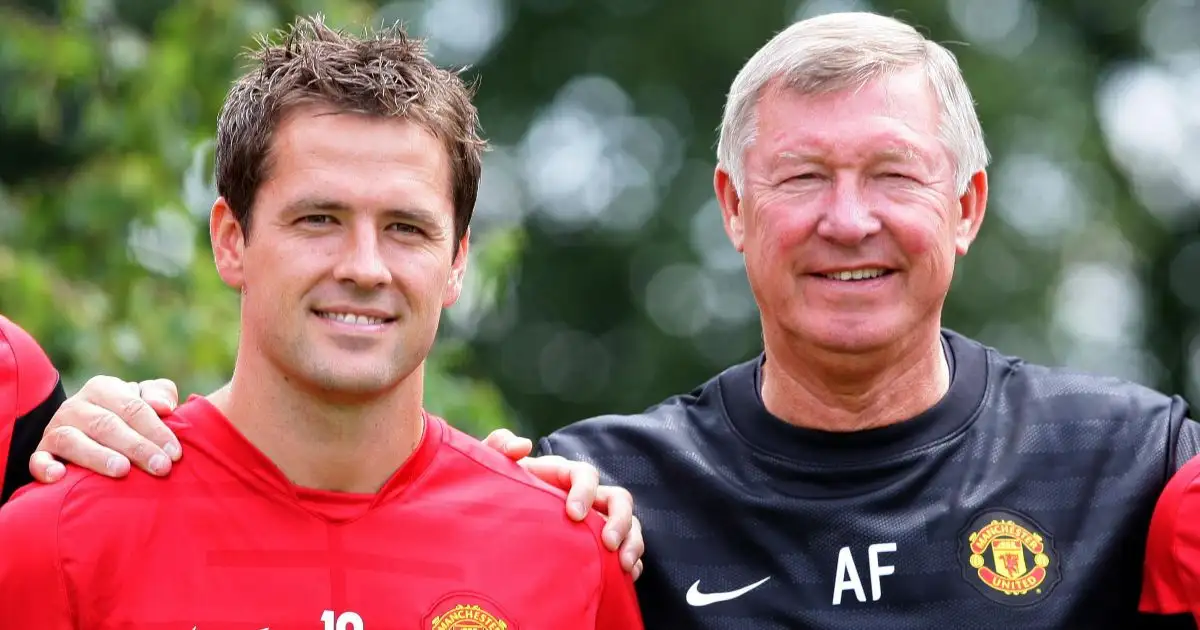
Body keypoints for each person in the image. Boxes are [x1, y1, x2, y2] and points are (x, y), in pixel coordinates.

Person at [20, 10, 1200, 629]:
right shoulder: (595, 502)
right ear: (733, 210)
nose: (849, 222)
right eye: (800, 180)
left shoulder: (1141, 464)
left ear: (969, 206)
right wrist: (65, 438)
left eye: (892, 176)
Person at [0, 16, 643, 629]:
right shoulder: (54, 542)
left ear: (457, 262)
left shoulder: (567, 555)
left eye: (405, 228)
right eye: (319, 219)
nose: (365, 267)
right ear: (231, 241)